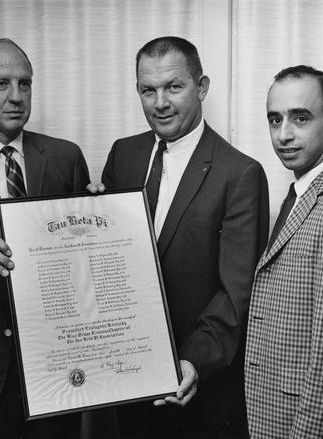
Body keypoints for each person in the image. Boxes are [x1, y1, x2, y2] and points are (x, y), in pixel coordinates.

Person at [101, 36, 269, 439]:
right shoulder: (123, 154)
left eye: (174, 87)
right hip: (126, 384)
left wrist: (193, 362)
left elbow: (236, 292)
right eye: (148, 90)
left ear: (202, 87)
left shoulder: (240, 173)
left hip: (199, 390)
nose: (160, 103)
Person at [0, 38, 90, 438]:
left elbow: (84, 259)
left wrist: (104, 215)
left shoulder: (66, 157)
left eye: (25, 83)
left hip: (61, 369)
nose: (16, 97)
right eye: (1, 84)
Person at [245, 65, 323, 438]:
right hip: (273, 416)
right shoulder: (300, 196)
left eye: (300, 118)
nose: (284, 135)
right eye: (275, 120)